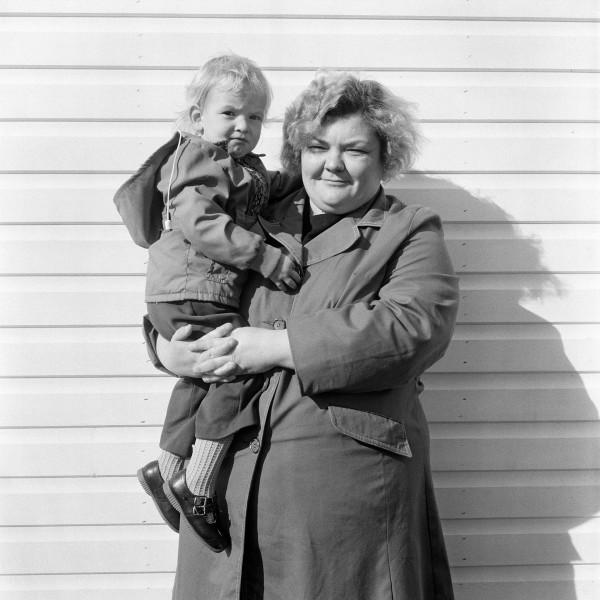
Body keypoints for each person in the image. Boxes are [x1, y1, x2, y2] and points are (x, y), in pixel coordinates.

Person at [145, 71, 459, 599]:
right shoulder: (251, 213)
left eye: (354, 150)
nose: (331, 164)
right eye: (317, 147)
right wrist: (168, 349)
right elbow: (184, 277)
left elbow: (412, 329)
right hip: (227, 492)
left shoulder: (410, 231)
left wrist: (275, 345)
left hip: (340, 502)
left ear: (387, 158)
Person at [113, 54, 301, 552]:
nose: (244, 126)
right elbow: (201, 223)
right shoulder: (198, 158)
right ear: (198, 117)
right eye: (230, 113)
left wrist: (306, 172)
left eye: (256, 117)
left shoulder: (239, 168)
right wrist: (263, 257)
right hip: (195, 288)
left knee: (198, 379)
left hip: (187, 292)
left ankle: (165, 469)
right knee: (235, 372)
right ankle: (197, 488)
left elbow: (264, 190)